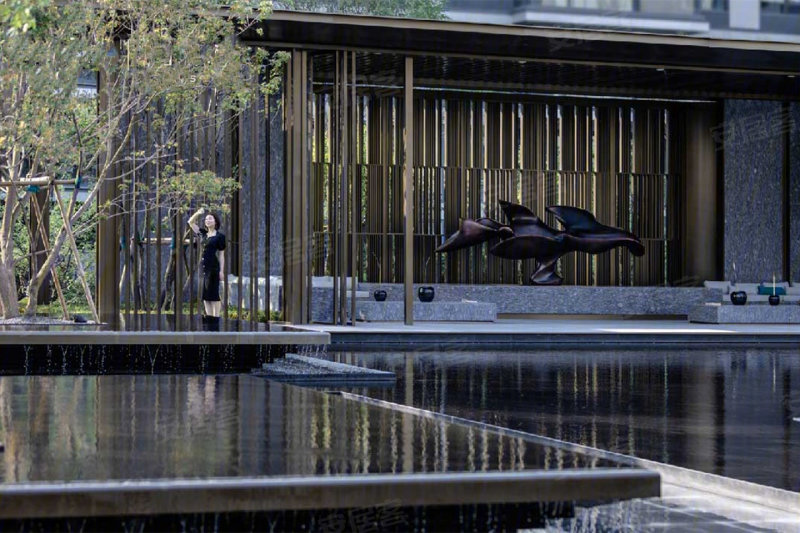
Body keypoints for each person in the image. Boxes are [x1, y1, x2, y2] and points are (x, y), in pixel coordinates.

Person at [188, 208, 226, 329]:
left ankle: (215, 317)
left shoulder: (220, 236)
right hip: (202, 267)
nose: (208, 220)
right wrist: (198, 213)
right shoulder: (203, 233)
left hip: (213, 268)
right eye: (206, 219)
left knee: (213, 294)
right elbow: (190, 222)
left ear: (215, 222)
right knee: (205, 294)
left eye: (210, 218)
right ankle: (209, 318)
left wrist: (221, 271)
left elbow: (221, 255)